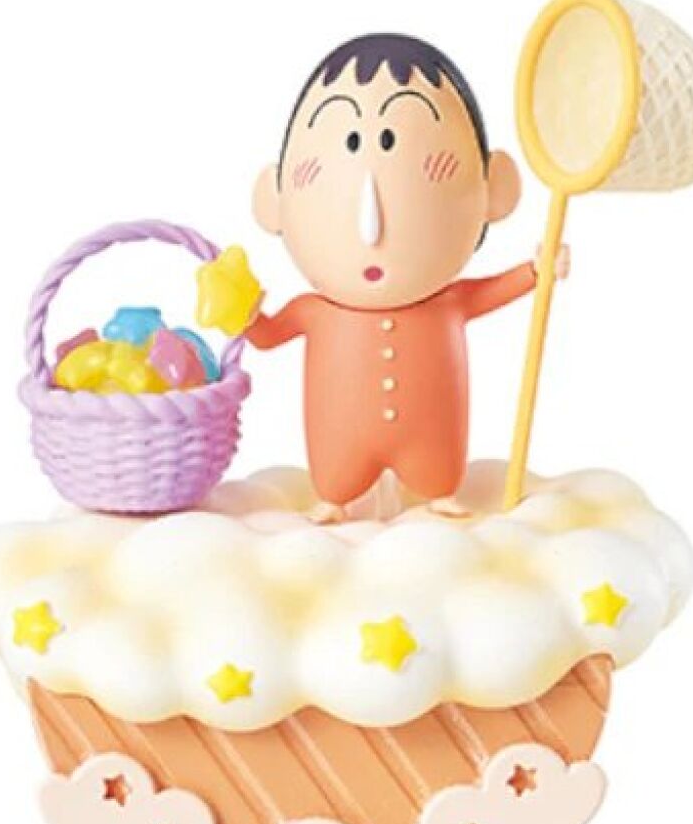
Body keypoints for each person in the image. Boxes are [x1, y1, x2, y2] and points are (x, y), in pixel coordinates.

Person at [227, 33, 568, 522]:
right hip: (338, 453)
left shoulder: (447, 303)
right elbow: (268, 335)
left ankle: (440, 492)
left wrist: (537, 271)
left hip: (433, 447)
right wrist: (242, 313)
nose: (373, 223)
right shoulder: (316, 312)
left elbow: (492, 291)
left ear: (493, 190)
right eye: (349, 143)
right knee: (337, 480)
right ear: (274, 199)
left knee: (438, 475)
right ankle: (334, 498)